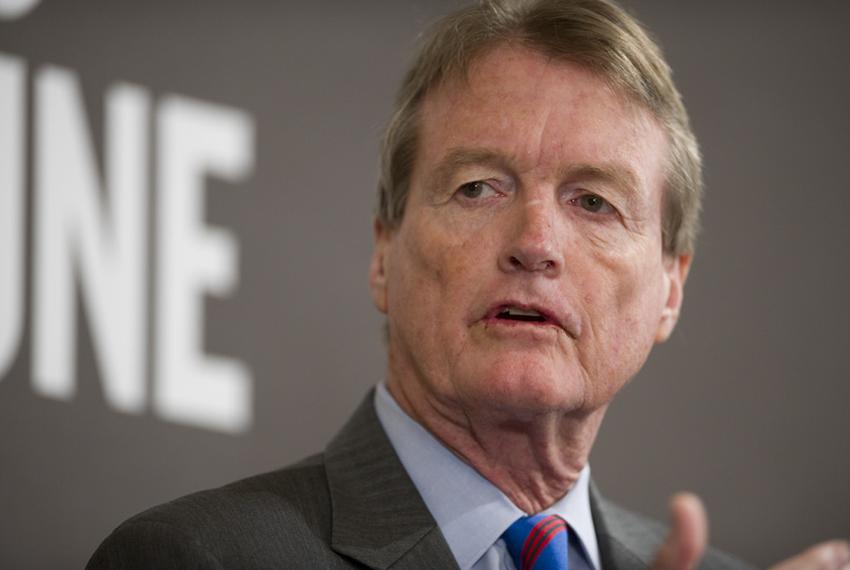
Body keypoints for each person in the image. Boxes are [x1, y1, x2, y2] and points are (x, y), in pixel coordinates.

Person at [87, 1, 850, 568]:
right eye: (480, 187)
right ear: (384, 252)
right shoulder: (194, 558)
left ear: (671, 290)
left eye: (594, 202)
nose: (536, 243)